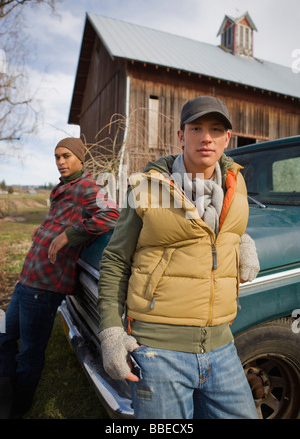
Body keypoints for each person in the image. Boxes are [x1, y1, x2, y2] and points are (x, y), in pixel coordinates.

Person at [98, 96, 260, 419]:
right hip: (159, 351)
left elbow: (220, 228)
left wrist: (241, 238)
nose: (206, 137)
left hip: (221, 346)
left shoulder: (235, 182)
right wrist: (112, 331)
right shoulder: (146, 189)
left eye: (216, 129)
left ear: (228, 138)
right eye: (196, 127)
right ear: (180, 135)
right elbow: (115, 260)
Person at [0, 138, 119, 419]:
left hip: (45, 285)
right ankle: (5, 392)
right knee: (5, 338)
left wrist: (70, 234)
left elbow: (112, 214)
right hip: (27, 278)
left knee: (28, 353)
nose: (61, 161)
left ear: (80, 158)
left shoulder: (87, 186)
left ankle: (17, 407)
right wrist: (43, 234)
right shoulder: (63, 187)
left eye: (66, 156)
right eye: (57, 157)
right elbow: (60, 219)